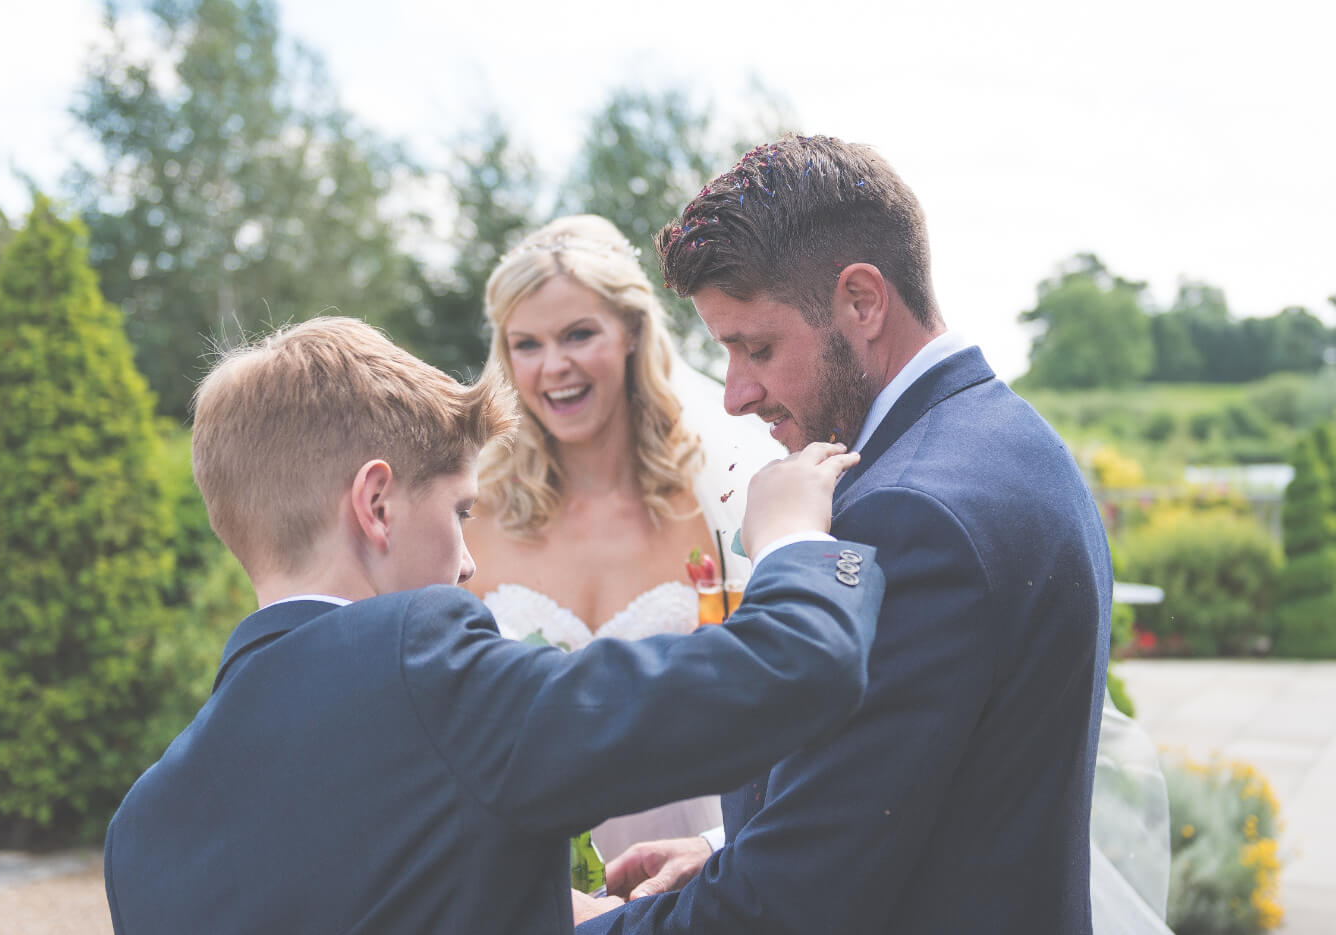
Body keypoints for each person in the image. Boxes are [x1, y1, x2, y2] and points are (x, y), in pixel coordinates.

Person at [102, 315, 886, 934]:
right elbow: (791, 668)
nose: (472, 563)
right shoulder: (419, 663)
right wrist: (794, 538)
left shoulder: (143, 824)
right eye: (458, 510)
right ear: (375, 504)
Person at [577, 134, 1170, 934]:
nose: (736, 395)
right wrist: (726, 847)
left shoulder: (907, 517)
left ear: (862, 300)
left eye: (757, 347)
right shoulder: (1009, 437)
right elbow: (919, 791)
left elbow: (783, 911)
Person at [464, 214, 785, 859]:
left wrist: (721, 851)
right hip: (522, 877)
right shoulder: (469, 511)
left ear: (634, 334)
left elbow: (782, 697)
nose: (554, 366)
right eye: (526, 344)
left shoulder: (720, 494)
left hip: (707, 867)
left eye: (579, 335)